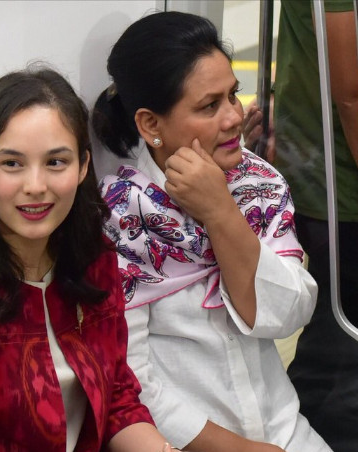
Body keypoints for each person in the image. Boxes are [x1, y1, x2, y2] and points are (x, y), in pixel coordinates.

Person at [0, 67, 175, 452]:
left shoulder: (94, 258)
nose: (35, 186)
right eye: (12, 164)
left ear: (83, 166)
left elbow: (118, 400)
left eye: (56, 162)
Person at [91, 11, 331, 452]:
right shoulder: (121, 218)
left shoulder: (257, 183)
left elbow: (288, 314)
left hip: (284, 431)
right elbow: (131, 382)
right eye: (209, 106)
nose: (233, 117)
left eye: (232, 95)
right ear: (150, 125)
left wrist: (222, 213)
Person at [243, 2, 358, 451]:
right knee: (344, 345)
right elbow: (351, 92)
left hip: (329, 167)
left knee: (337, 335)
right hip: (345, 181)